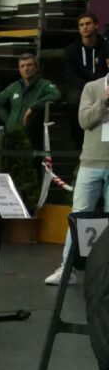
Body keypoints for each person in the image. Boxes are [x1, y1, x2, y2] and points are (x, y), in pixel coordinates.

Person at [45, 72, 109, 286]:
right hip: (90, 163)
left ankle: (105, 273)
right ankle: (67, 268)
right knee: (78, 216)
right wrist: (104, 100)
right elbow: (84, 121)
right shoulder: (92, 87)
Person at [0, 53, 60, 148]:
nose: (26, 68)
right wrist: (8, 120)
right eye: (22, 66)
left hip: (32, 138)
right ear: (19, 69)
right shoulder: (14, 87)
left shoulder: (44, 85)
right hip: (11, 137)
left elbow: (56, 95)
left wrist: (32, 107)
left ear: (36, 68)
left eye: (29, 65)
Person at [64, 13, 109, 149]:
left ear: (96, 26)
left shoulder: (106, 46)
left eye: (88, 23)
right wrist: (88, 87)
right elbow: (70, 75)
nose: (85, 27)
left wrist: (99, 86)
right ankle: (77, 141)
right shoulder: (72, 49)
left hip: (103, 84)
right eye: (81, 25)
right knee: (73, 100)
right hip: (81, 86)